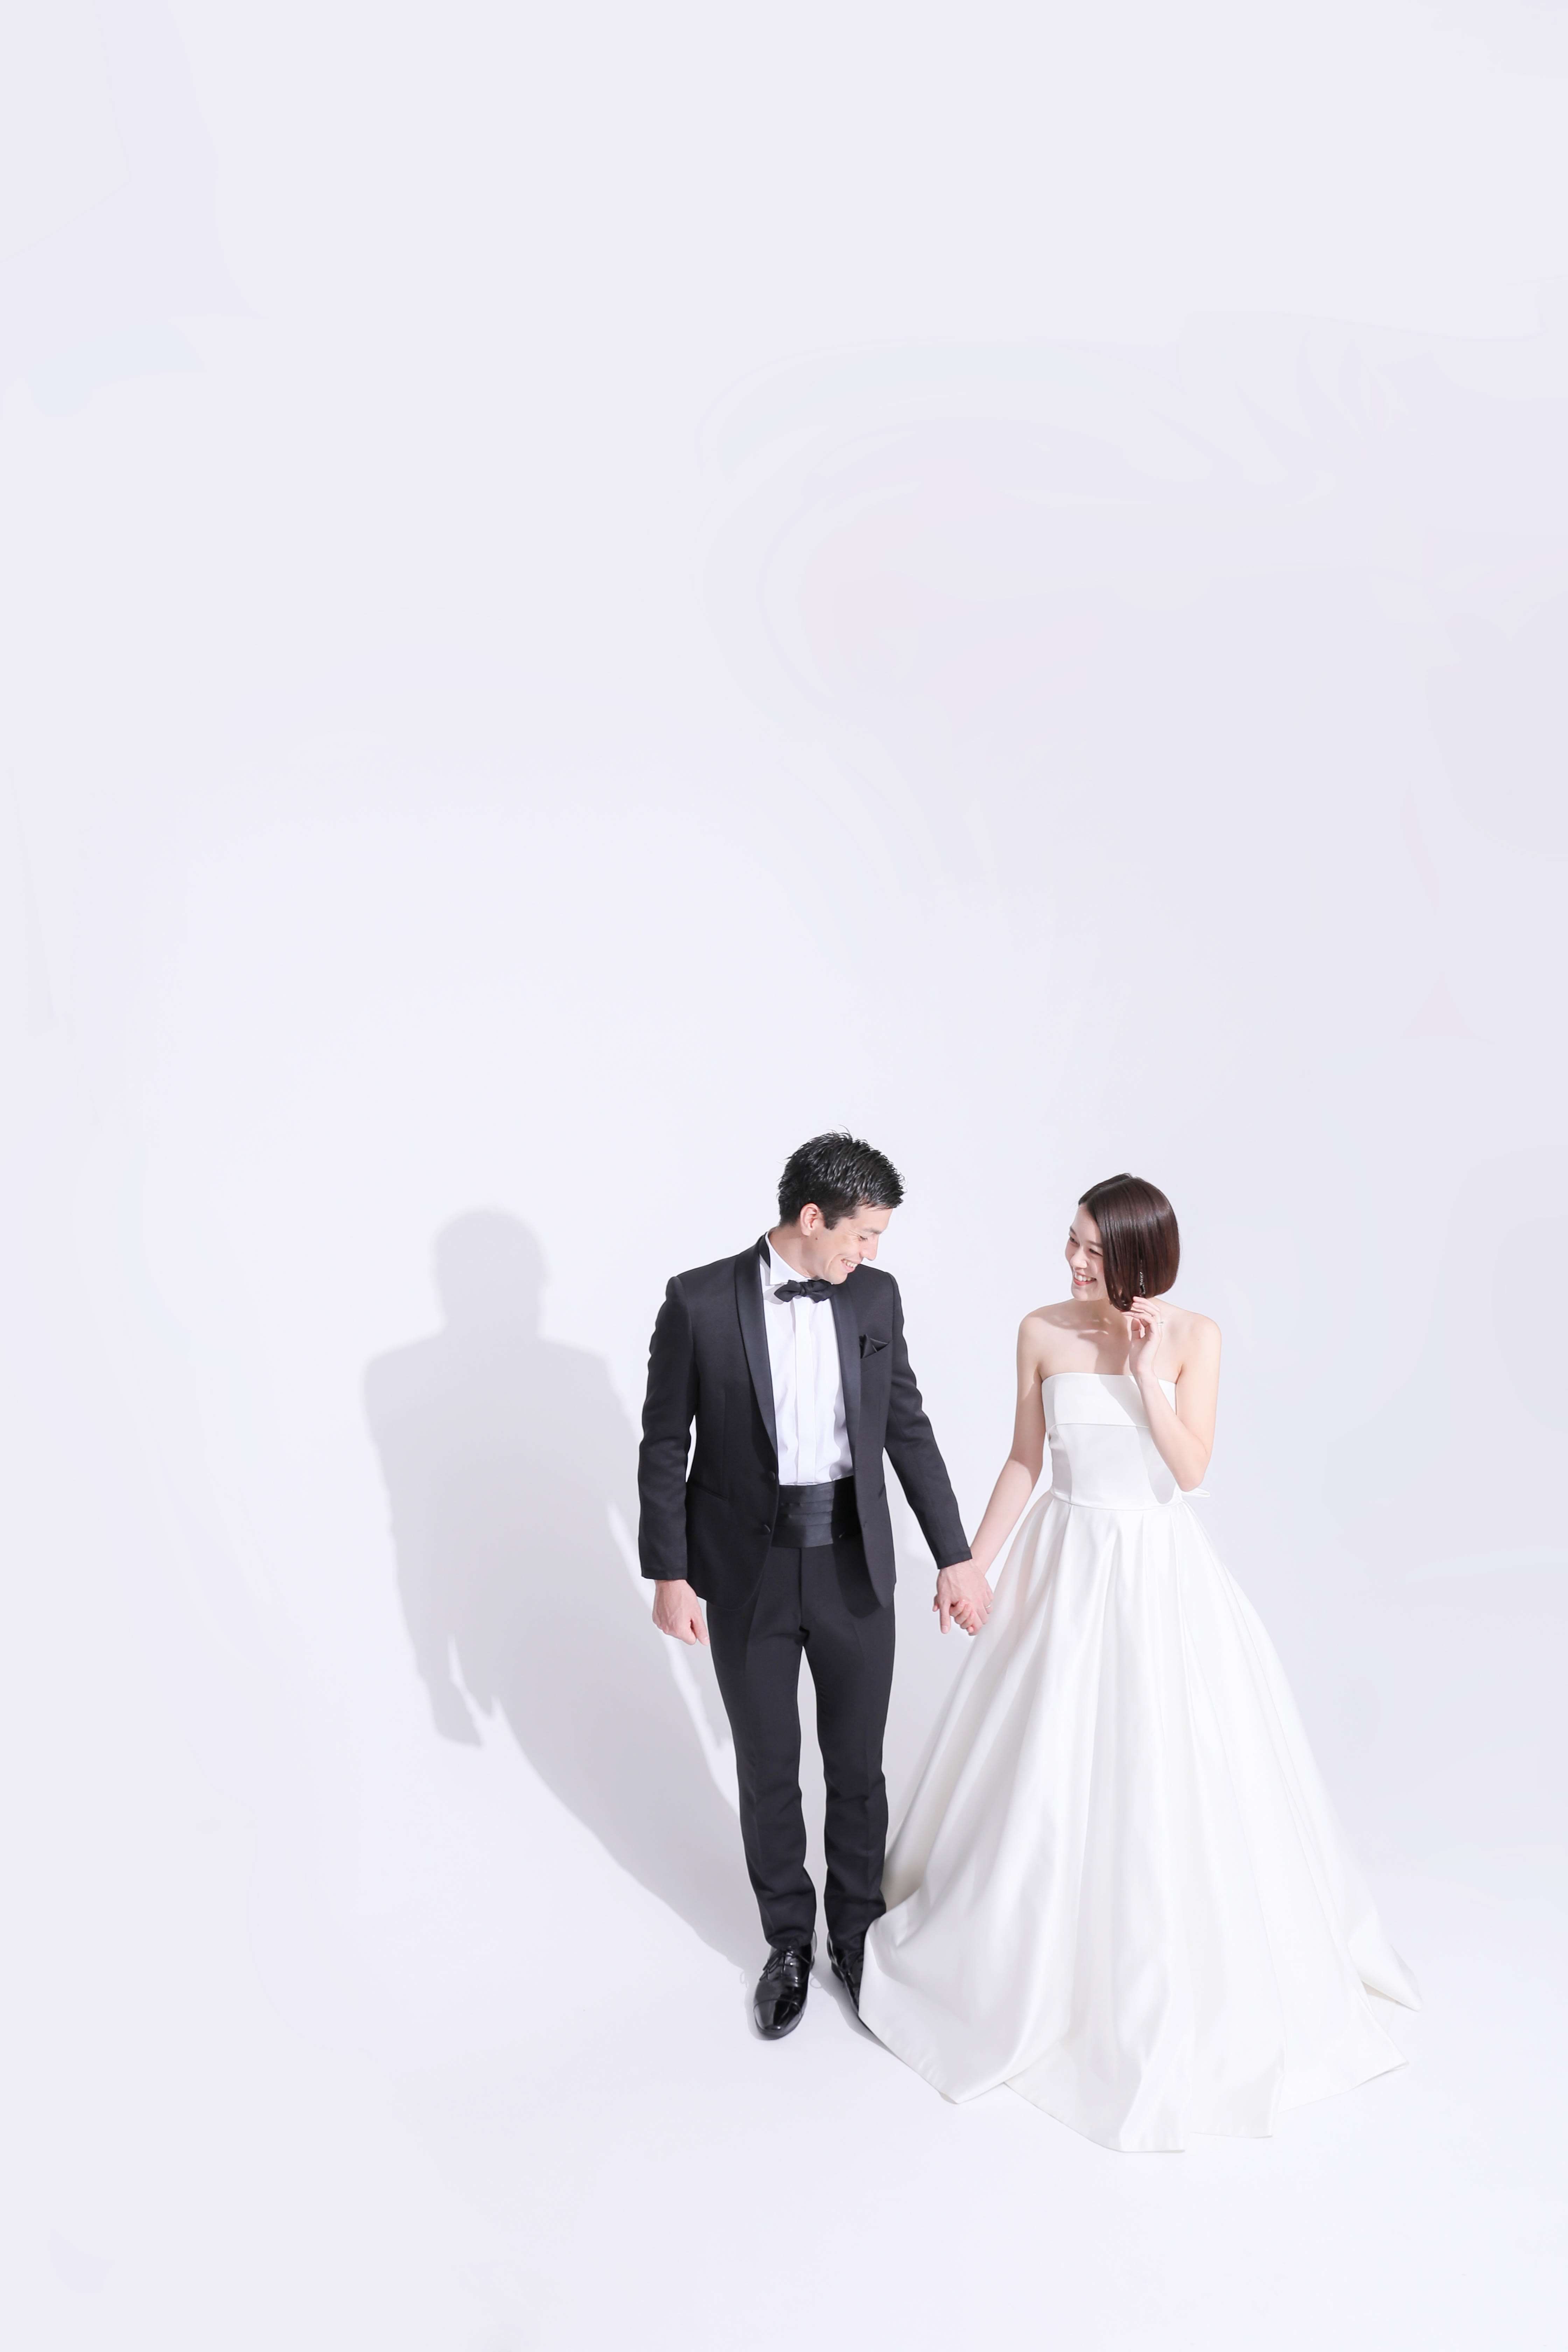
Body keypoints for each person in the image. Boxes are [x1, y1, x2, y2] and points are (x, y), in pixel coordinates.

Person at [859, 1174, 1421, 2151]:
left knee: (1166, 1768)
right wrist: (972, 1565)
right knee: (1044, 1763)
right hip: (1065, 1564)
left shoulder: (1194, 1336)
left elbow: (1190, 1470)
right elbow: (1026, 1461)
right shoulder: (1041, 1330)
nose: (1074, 1262)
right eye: (1072, 1242)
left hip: (1158, 1572)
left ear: (1140, 1257)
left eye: (1094, 1249)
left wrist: (1150, 1373)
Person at [638, 1133, 990, 2038]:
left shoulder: (875, 1297)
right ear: (810, 1218)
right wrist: (670, 1573)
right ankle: (789, 1942)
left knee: (857, 1766)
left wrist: (955, 1555)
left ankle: (857, 1935)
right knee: (767, 1766)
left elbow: (907, 1427)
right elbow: (666, 1444)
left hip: (852, 1563)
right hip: (744, 1573)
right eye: (862, 1235)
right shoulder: (697, 1301)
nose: (869, 1252)